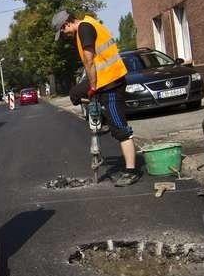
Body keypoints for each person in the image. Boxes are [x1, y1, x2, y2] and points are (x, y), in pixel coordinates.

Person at [52, 10, 140, 186]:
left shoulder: (84, 28)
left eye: (63, 32)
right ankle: (102, 119)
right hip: (106, 79)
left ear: (66, 24)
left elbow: (89, 61)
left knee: (120, 128)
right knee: (75, 94)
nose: (64, 36)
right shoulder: (89, 23)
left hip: (110, 83)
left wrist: (92, 87)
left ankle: (131, 171)